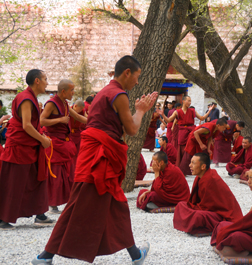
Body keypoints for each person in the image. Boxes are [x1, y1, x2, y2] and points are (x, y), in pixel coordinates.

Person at [31, 55, 158, 265]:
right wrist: (141, 110)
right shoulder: (119, 95)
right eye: (137, 76)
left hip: (95, 154)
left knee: (115, 206)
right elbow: (133, 129)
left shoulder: (103, 94)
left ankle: (135, 254)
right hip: (100, 159)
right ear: (127, 72)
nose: (137, 81)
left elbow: (93, 122)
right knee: (78, 206)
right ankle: (45, 256)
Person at [0, 69, 52, 229]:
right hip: (20, 148)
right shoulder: (26, 98)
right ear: (37, 81)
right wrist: (43, 139)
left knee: (36, 179)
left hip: (29, 146)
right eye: (45, 79)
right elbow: (27, 125)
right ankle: (3, 219)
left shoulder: (30, 97)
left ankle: (40, 214)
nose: (47, 82)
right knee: (15, 182)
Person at [41, 80, 87, 214]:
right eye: (71, 90)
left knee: (68, 174)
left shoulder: (65, 104)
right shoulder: (52, 103)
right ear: (63, 91)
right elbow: (41, 120)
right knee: (55, 174)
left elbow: (78, 117)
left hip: (64, 143)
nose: (73, 93)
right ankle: (52, 205)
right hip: (54, 143)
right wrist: (59, 120)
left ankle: (68, 202)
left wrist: (97, 121)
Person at [173, 153, 242, 235]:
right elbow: (195, 201)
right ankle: (192, 223)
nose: (190, 165)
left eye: (193, 163)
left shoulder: (211, 179)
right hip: (206, 209)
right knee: (181, 205)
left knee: (198, 216)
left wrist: (194, 208)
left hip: (223, 215)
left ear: (203, 167)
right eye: (190, 162)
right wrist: (193, 207)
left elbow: (209, 206)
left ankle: (199, 225)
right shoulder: (199, 177)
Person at [160, 96, 213, 168]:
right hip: (182, 132)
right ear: (184, 101)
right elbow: (169, 120)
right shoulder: (177, 112)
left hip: (191, 131)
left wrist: (209, 111)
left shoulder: (192, 110)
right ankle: (182, 168)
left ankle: (193, 167)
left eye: (190, 101)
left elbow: (202, 118)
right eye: (188, 101)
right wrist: (163, 115)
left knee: (191, 148)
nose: (190, 102)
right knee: (182, 150)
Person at [70, 100, 87, 184]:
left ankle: (76, 171)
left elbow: (86, 119)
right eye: (79, 109)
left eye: (81, 109)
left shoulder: (83, 111)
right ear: (75, 106)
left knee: (78, 154)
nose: (80, 111)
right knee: (71, 155)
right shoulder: (68, 110)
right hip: (70, 135)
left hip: (77, 134)